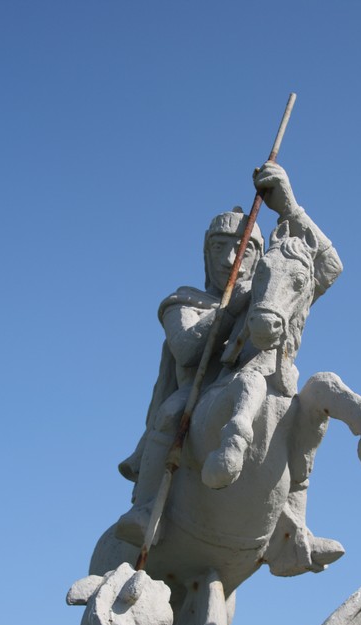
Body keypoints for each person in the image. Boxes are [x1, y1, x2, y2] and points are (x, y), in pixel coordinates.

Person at [116, 162, 344, 573]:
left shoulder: (269, 295)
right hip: (199, 395)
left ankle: (294, 529)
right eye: (220, 247)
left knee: (304, 414)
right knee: (170, 413)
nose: (230, 257)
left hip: (266, 381)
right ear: (206, 253)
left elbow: (328, 268)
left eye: (244, 249)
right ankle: (146, 508)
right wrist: (235, 303)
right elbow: (186, 350)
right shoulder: (183, 302)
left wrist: (290, 207)